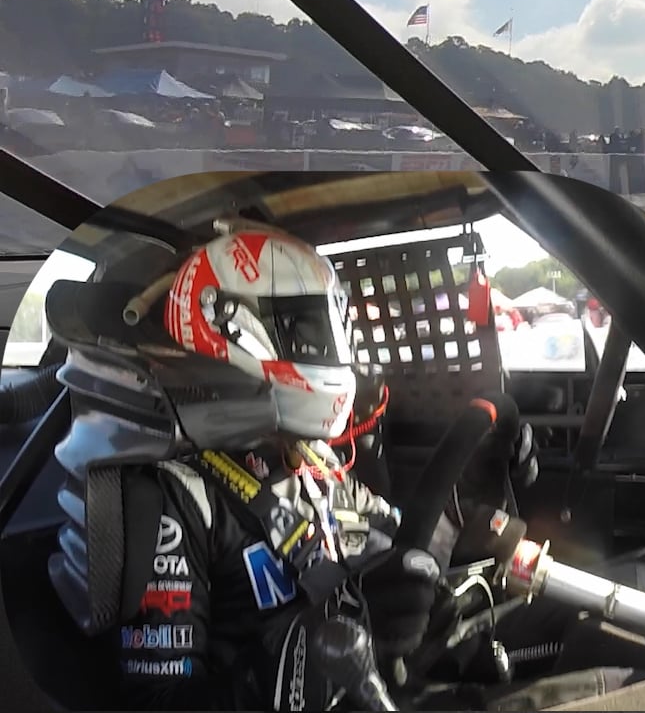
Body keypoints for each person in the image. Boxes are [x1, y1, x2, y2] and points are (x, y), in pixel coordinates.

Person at [112, 225, 444, 710]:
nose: (326, 349)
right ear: (232, 328)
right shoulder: (178, 497)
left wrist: (430, 581)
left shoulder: (315, 460)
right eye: (306, 331)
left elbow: (391, 543)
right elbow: (160, 701)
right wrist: (297, 663)